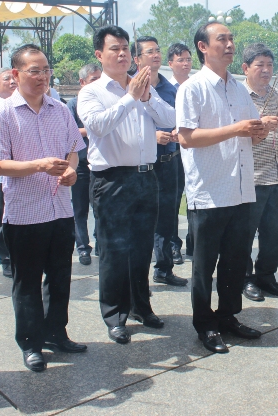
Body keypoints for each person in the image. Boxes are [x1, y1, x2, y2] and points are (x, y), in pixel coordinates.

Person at [0, 44, 87, 372]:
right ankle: (30, 343)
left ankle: (56, 332)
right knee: (27, 282)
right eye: (34, 71)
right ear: (15, 74)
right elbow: (0, 165)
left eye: (45, 70)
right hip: (25, 212)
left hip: (60, 209)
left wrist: (71, 169)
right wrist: (39, 165)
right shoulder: (3, 113)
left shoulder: (59, 110)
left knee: (59, 277)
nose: (42, 76)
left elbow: (74, 149)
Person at [176, 22, 274, 354]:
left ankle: (228, 316)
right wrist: (237, 129)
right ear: (203, 47)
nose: (230, 44)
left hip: (242, 186)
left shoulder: (238, 89)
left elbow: (247, 132)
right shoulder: (192, 88)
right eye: (222, 39)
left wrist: (258, 131)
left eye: (231, 39)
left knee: (236, 259)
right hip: (210, 189)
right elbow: (186, 138)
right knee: (204, 265)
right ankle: (204, 324)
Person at [78, 25, 175, 345]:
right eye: (114, 49)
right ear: (99, 54)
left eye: (124, 49)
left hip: (147, 177)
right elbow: (97, 126)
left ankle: (140, 307)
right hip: (112, 180)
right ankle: (115, 314)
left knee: (141, 247)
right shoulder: (92, 92)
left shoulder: (143, 85)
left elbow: (169, 119)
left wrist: (145, 98)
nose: (121, 55)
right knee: (114, 250)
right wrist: (130, 98)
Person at [132, 37, 187, 287]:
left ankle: (164, 268)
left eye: (157, 50)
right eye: (149, 51)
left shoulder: (170, 88)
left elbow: (179, 118)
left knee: (168, 216)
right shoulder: (129, 87)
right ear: (137, 59)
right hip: (145, 165)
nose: (155, 55)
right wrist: (151, 136)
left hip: (171, 160)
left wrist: (177, 131)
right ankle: (139, 278)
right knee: (145, 220)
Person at [240, 44, 278, 302]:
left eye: (269, 65)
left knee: (273, 231)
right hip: (252, 176)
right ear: (246, 68)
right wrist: (261, 124)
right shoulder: (239, 96)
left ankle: (267, 276)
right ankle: (245, 279)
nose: (265, 70)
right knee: (245, 232)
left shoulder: (277, 98)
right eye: (259, 65)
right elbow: (235, 133)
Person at [67, 64, 102, 265]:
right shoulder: (72, 104)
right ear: (82, 83)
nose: (97, 83)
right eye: (92, 79)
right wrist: (95, 128)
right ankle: (82, 247)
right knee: (80, 209)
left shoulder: (103, 102)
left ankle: (100, 242)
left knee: (100, 207)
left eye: (99, 78)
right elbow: (71, 131)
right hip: (79, 164)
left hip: (99, 163)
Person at [0, 67, 17, 278]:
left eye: (14, 77)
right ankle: (5, 257)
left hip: (27, 174)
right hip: (3, 176)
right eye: (6, 79)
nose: (12, 82)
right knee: (3, 218)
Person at [167, 43, 193, 262]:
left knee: (194, 197)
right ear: (170, 64)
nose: (185, 64)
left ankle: (194, 241)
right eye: (180, 60)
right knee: (174, 201)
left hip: (194, 150)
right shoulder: (167, 88)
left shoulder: (196, 86)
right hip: (173, 152)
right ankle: (173, 244)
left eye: (188, 60)